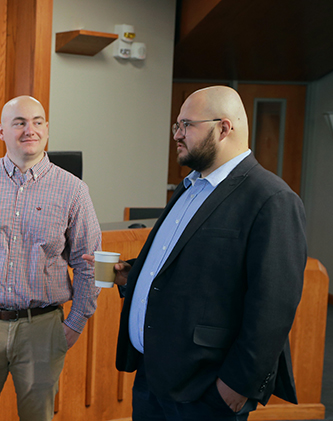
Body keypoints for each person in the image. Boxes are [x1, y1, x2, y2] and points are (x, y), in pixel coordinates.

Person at [103, 86, 307, 420]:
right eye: (176, 126)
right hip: (154, 378)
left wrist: (235, 387)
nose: (178, 135)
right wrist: (134, 274)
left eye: (187, 125)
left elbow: (273, 307)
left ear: (224, 128)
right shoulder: (189, 186)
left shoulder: (271, 199)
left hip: (207, 390)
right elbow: (191, 262)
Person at [0, 95, 102, 421]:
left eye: (38, 122)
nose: (31, 130)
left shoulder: (73, 190)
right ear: (2, 131)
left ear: (47, 128)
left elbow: (88, 262)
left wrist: (76, 321)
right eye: (20, 123)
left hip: (42, 329)